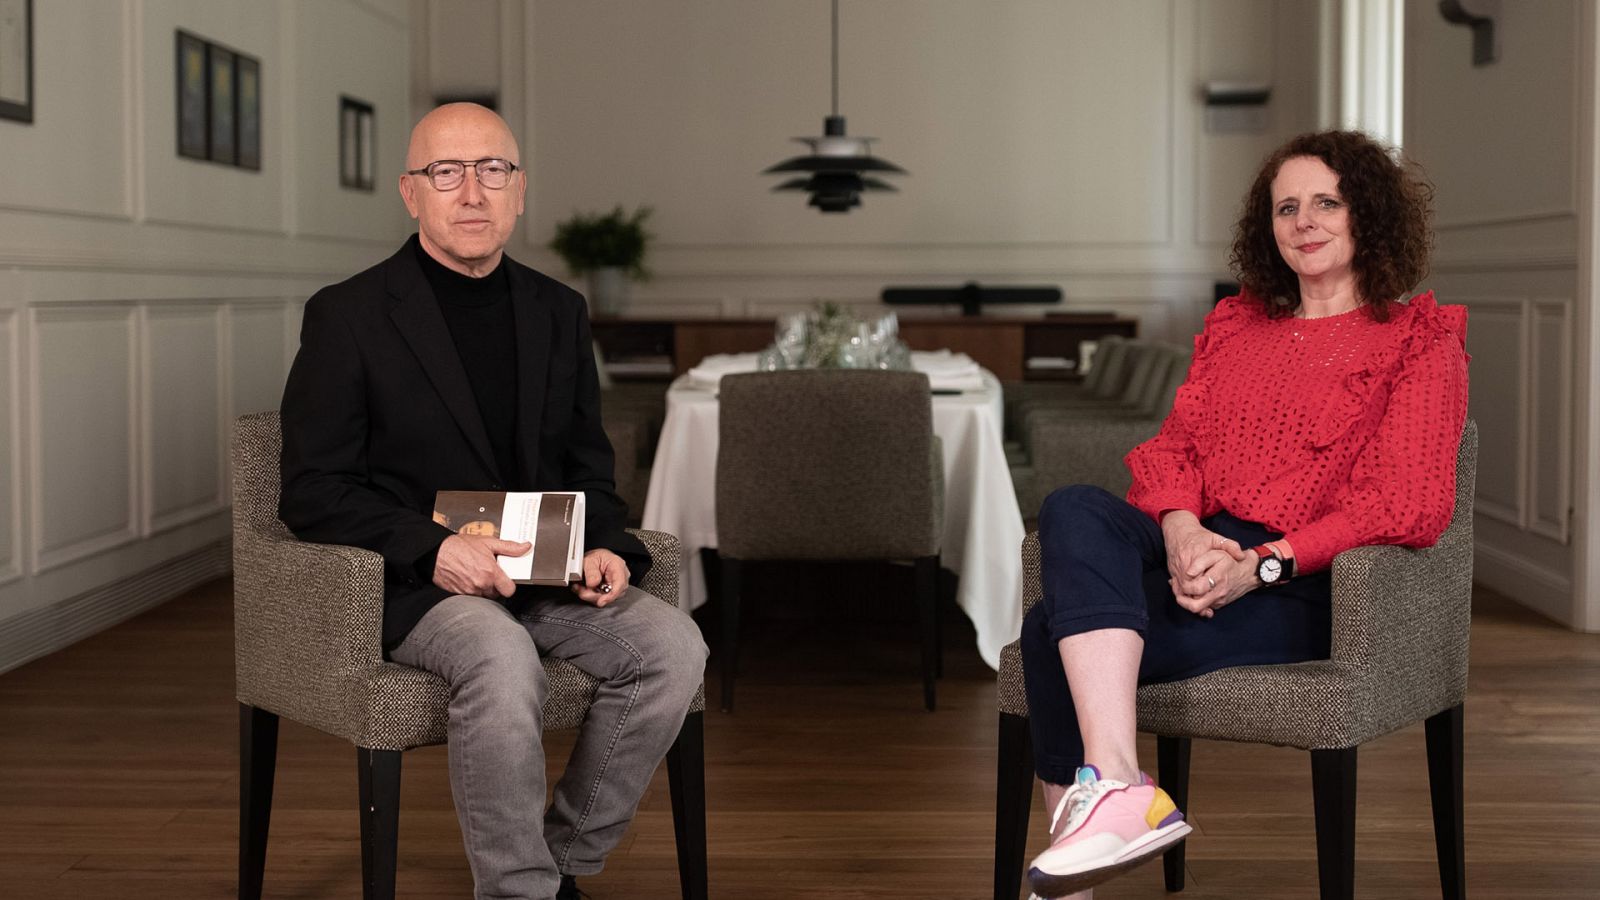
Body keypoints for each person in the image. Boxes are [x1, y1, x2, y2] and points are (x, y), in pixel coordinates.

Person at [1019, 129, 1469, 899]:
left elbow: (1408, 504)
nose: (1305, 220)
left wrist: (1261, 564)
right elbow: (1171, 453)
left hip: (1307, 585)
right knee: (1073, 506)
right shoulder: (1238, 328)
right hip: (1201, 543)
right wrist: (1183, 528)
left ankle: (1089, 860)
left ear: (1370, 215)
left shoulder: (1420, 343)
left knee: (1043, 631)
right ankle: (1121, 786)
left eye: (1327, 201)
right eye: (1286, 206)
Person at [278, 102, 707, 900]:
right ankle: (516, 893)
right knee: (500, 658)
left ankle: (559, 864)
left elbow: (587, 461)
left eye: (492, 171)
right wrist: (433, 547)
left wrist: (606, 543)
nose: (471, 192)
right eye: (447, 172)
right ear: (412, 193)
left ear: (519, 191)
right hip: (418, 581)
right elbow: (311, 488)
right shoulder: (350, 316)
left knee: (674, 650)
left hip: (547, 570)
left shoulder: (558, 310)